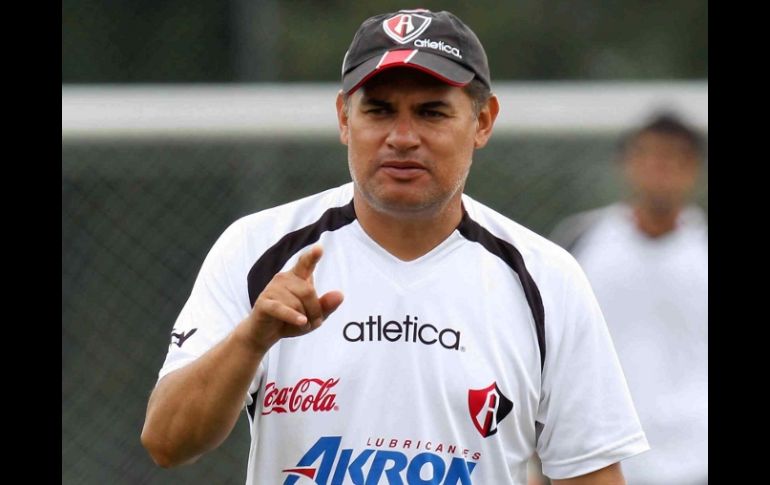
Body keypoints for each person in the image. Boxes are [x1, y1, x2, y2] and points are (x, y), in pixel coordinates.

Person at [141, 9, 649, 484]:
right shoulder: (259, 249)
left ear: (484, 121)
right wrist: (250, 341)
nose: (402, 137)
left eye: (431, 113)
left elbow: (591, 471)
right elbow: (167, 442)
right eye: (379, 111)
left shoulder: (546, 276)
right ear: (344, 118)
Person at [550, 113, 708, 484]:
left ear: (695, 168)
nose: (660, 167)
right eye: (649, 155)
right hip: (599, 455)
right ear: (626, 164)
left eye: (674, 158)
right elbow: (548, 347)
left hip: (697, 456)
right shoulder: (579, 239)